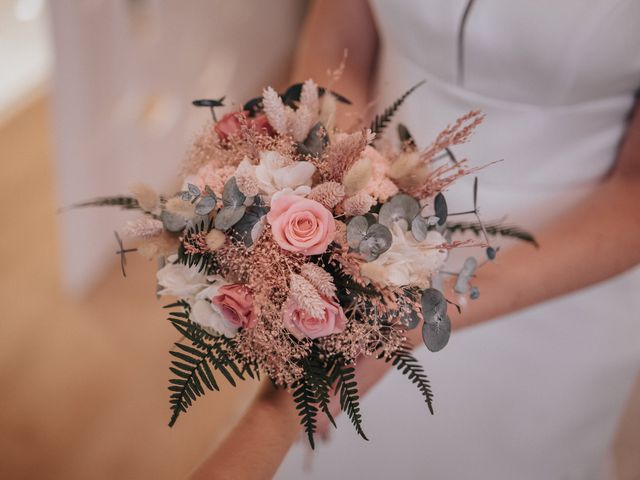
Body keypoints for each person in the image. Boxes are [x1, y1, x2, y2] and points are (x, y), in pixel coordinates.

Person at [191, 1, 640, 478]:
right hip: (371, 214)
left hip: (560, 261)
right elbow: (338, 38)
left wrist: (422, 311)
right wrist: (339, 194)